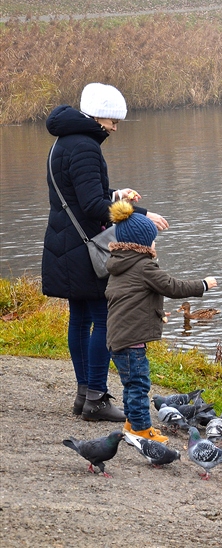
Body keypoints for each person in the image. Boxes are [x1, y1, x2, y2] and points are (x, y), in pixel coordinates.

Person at [42, 83, 169, 422]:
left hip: (65, 243)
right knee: (104, 319)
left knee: (80, 319)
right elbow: (92, 206)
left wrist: (115, 194)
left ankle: (83, 396)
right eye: (113, 121)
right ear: (98, 116)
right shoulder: (85, 146)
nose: (115, 128)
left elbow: (79, 195)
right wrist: (141, 215)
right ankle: (96, 398)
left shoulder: (64, 141)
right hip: (85, 248)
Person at [105, 200, 218, 442]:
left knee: (131, 385)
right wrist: (203, 285)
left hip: (118, 337)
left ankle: (131, 423)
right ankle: (141, 429)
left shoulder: (119, 265)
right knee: (139, 385)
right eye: (153, 240)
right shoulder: (143, 267)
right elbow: (172, 287)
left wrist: (157, 314)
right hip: (131, 340)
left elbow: (132, 300)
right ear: (141, 245)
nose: (155, 244)